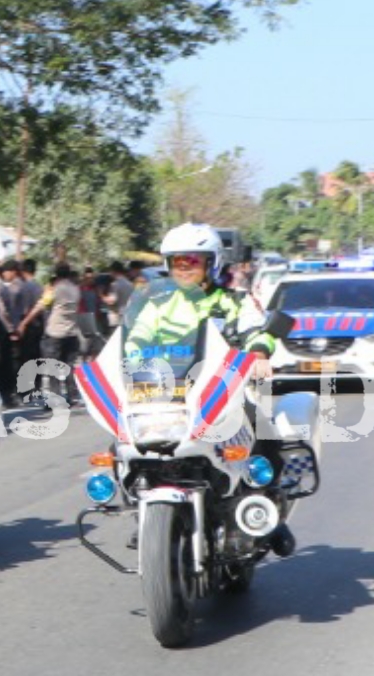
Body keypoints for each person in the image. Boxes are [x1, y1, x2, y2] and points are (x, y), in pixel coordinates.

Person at [124, 223, 293, 555]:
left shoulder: (234, 301)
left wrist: (258, 352)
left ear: (212, 263)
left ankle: (268, 508)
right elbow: (134, 338)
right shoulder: (156, 305)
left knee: (264, 429)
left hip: (220, 390)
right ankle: (140, 511)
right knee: (124, 436)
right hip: (165, 392)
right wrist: (125, 362)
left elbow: (258, 329)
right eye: (177, 262)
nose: (184, 268)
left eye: (192, 261)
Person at [15, 263, 82, 407]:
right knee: (69, 365)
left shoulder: (55, 290)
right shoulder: (76, 289)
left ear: (56, 275)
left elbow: (40, 306)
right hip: (71, 332)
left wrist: (24, 323)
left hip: (55, 333)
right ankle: (72, 395)